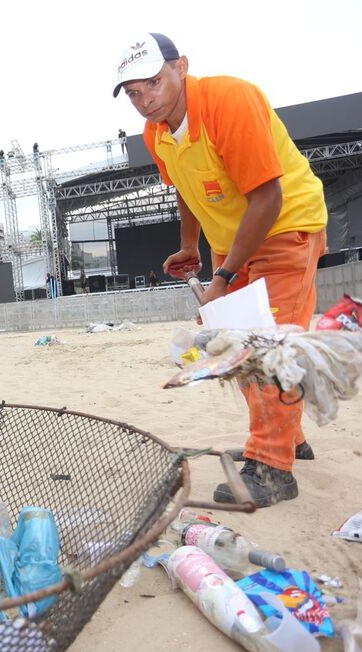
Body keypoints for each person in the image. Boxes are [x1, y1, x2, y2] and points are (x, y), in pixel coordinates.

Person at [114, 33, 327, 508]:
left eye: (152, 82)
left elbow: (268, 197)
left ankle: (272, 468)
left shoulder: (230, 100)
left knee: (269, 347)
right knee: (237, 347)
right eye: (132, 92)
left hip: (285, 228)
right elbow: (187, 187)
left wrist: (223, 278)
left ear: (181, 67)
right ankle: (287, 441)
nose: (144, 98)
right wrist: (190, 246)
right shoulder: (157, 132)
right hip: (232, 244)